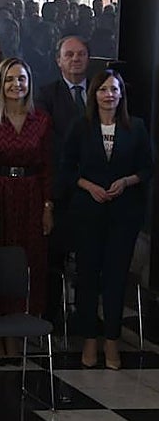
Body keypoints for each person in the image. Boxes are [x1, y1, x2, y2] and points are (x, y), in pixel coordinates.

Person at [61, 69, 153, 370]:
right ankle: (90, 338)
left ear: (121, 94)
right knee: (87, 277)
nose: (109, 95)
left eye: (114, 89)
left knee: (115, 279)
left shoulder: (136, 127)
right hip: (88, 212)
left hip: (123, 214)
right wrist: (88, 186)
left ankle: (111, 340)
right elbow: (66, 168)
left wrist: (126, 181)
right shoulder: (80, 126)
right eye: (103, 89)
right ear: (95, 94)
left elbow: (148, 168)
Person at [0, 57, 53, 363]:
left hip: (30, 195)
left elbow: (47, 167)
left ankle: (16, 332)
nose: (16, 85)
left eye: (22, 79)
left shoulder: (41, 119)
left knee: (26, 258)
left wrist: (47, 205)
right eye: (10, 79)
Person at [36, 35, 92, 325]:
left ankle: (84, 317)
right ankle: (52, 317)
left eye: (81, 54)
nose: (75, 59)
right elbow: (50, 144)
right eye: (69, 55)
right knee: (54, 259)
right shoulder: (46, 95)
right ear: (58, 60)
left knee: (89, 260)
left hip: (96, 191)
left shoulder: (102, 91)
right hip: (61, 190)